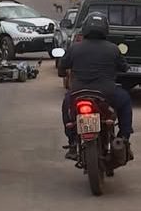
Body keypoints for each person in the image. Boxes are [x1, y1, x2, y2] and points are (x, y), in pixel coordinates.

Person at [57, 12, 133, 162]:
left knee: (66, 106)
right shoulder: (113, 49)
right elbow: (124, 67)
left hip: (78, 93)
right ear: (105, 29)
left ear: (85, 28)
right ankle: (123, 137)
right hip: (107, 94)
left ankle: (72, 142)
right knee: (125, 101)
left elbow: (61, 67)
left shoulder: (74, 48)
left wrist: (63, 72)